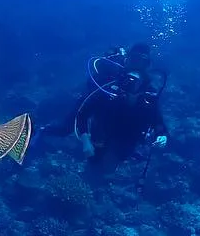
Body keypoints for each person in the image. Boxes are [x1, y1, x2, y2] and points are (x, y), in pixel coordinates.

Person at [44, 42, 168, 174]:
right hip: (102, 132)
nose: (137, 65)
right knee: (91, 159)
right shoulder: (107, 85)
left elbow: (157, 120)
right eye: (134, 59)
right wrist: (86, 141)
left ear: (147, 65)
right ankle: (40, 131)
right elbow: (82, 113)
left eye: (142, 62)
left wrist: (161, 135)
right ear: (127, 60)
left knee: (112, 165)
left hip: (126, 137)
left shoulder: (149, 94)